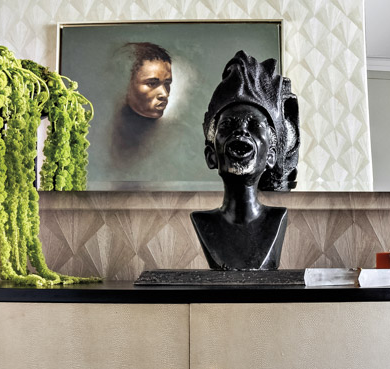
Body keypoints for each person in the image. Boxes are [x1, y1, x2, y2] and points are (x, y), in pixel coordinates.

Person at [191, 50, 299, 271]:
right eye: (228, 125)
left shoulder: (277, 218)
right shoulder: (202, 221)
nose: (241, 131)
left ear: (270, 156)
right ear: (211, 156)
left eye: (255, 126)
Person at [110, 43, 173, 166]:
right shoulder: (105, 131)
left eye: (167, 83)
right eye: (152, 83)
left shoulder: (175, 137)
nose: (164, 94)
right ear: (126, 83)